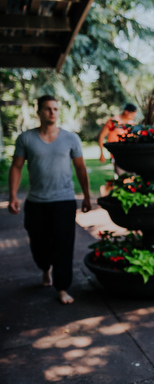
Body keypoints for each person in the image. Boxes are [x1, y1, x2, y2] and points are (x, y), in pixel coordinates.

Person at [8, 95, 92, 305]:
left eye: (55, 109)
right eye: (47, 109)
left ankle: (62, 287)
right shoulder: (26, 138)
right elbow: (17, 167)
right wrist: (12, 196)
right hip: (36, 202)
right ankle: (45, 268)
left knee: (64, 245)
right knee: (39, 244)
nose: (52, 112)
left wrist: (87, 196)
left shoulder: (70, 139)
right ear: (39, 112)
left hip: (63, 200)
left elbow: (80, 168)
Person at [98, 103, 137, 177]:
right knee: (121, 177)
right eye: (132, 114)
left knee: (133, 178)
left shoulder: (131, 123)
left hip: (130, 155)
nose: (134, 117)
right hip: (117, 154)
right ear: (126, 112)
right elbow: (101, 136)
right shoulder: (114, 121)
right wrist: (101, 153)